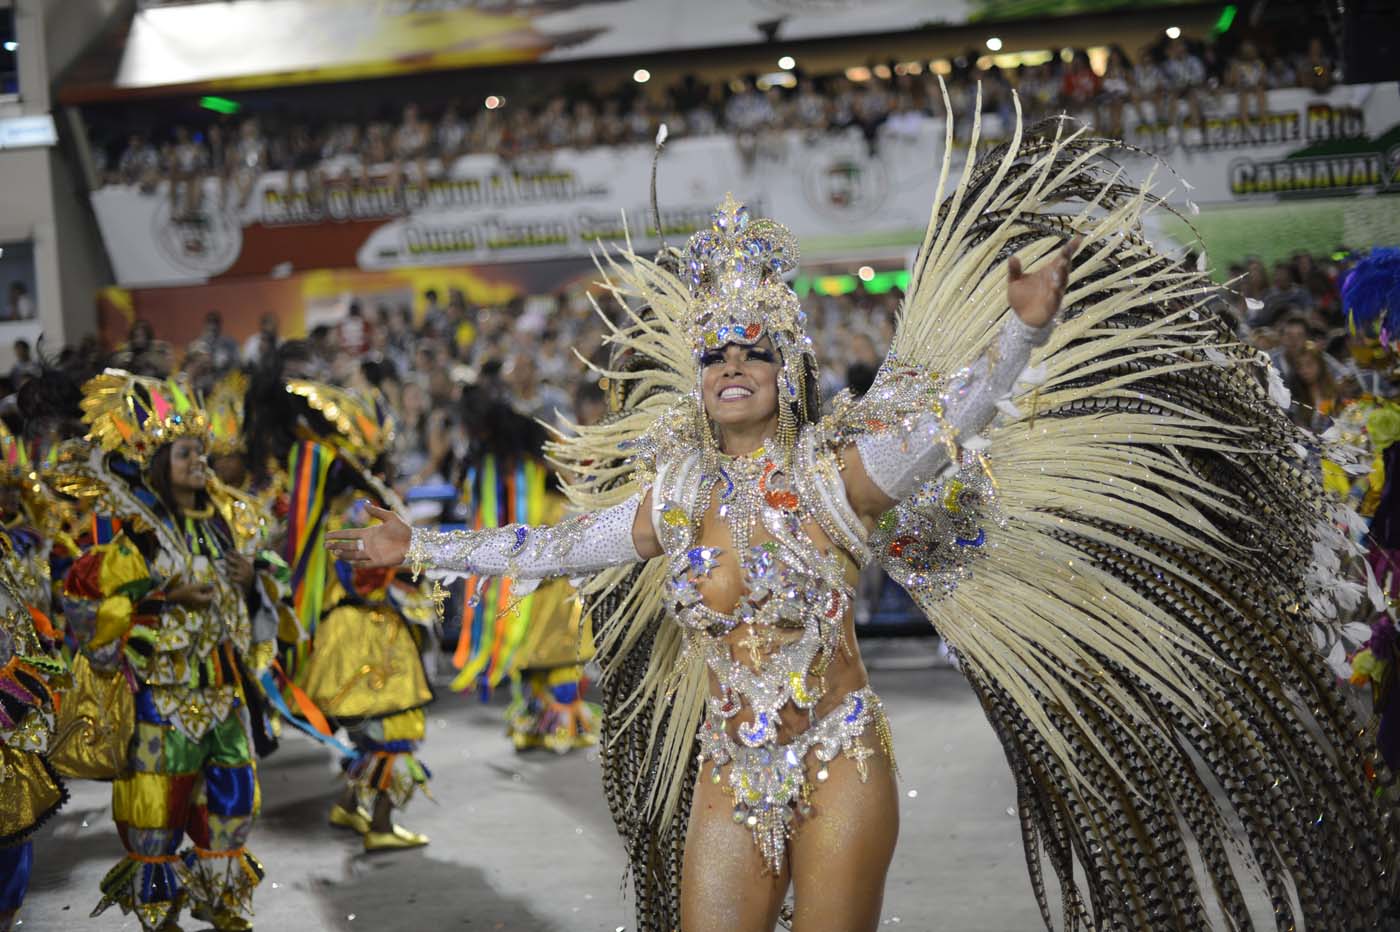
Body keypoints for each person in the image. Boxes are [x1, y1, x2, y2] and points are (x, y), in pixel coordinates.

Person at [332, 125, 1394, 931]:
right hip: (723, 765)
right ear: (698, 377)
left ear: (786, 364)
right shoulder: (670, 495)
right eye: (714, 352)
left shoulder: (841, 474)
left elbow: (953, 422)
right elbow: (550, 547)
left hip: (839, 757)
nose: (732, 363)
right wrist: (414, 548)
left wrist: (1021, 332)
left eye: (752, 346)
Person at [59, 372, 279, 932]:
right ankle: (163, 919)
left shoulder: (227, 528)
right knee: (158, 810)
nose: (199, 462)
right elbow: (90, 605)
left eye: (202, 452)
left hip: (223, 694)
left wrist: (251, 578)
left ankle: (222, 902)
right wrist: (163, 596)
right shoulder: (140, 538)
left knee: (231, 802)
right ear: (161, 463)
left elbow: (262, 607)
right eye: (186, 453)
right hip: (163, 701)